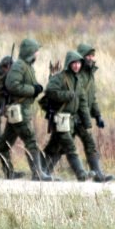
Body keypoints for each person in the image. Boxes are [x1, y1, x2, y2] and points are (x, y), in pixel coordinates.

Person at [0, 38, 50, 180]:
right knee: (31, 141)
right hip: (20, 111)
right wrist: (33, 89)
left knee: (3, 143)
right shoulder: (19, 66)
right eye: (36, 51)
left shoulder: (25, 66)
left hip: (19, 111)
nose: (37, 54)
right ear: (30, 52)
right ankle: (38, 174)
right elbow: (12, 85)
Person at [40, 51, 91, 181]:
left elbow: (83, 102)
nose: (76, 65)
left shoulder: (78, 80)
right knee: (70, 146)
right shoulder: (60, 77)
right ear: (69, 63)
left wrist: (87, 122)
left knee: (55, 148)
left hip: (71, 120)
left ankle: (41, 171)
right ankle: (81, 174)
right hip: (61, 118)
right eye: (74, 63)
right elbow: (50, 91)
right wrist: (66, 95)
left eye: (79, 63)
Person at [75, 43, 113, 182]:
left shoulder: (89, 74)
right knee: (61, 146)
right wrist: (81, 116)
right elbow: (78, 98)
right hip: (74, 116)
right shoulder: (77, 74)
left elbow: (92, 98)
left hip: (82, 117)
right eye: (88, 55)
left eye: (92, 55)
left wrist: (98, 116)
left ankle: (98, 175)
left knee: (61, 146)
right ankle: (42, 171)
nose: (91, 58)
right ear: (81, 57)